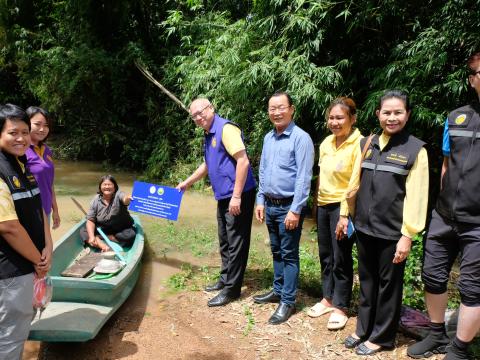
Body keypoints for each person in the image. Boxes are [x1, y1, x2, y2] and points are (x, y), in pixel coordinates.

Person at [344, 90, 429, 355]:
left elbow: (418, 196)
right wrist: (347, 215)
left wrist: (408, 235)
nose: (392, 118)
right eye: (387, 112)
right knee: (367, 281)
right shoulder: (368, 143)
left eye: (398, 112)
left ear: (408, 114)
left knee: (389, 287)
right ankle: (363, 328)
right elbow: (354, 184)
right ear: (378, 114)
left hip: (393, 233)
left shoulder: (416, 149)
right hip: (365, 228)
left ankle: (381, 336)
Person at [407, 52, 480, 360]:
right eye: (479, 71)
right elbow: (448, 164)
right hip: (445, 215)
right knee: (433, 276)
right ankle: (437, 333)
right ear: (472, 78)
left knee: (473, 288)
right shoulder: (456, 117)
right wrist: (441, 205)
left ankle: (460, 349)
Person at [176, 98, 256, 307]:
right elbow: (208, 164)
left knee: (236, 240)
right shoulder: (209, 132)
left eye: (200, 112)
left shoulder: (226, 129)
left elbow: (243, 161)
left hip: (237, 194)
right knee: (225, 238)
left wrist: (237, 196)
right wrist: (187, 183)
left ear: (211, 108)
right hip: (223, 195)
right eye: (194, 116)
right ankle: (225, 278)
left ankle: (232, 290)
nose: (198, 118)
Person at [254, 91, 314, 325]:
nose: (276, 112)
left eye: (281, 107)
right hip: (269, 204)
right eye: (272, 108)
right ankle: (278, 290)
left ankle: (288, 301)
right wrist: (260, 199)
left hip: (289, 206)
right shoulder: (269, 137)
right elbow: (263, 170)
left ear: (292, 109)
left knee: (289, 255)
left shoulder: (301, 138)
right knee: (277, 251)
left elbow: (303, 177)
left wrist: (296, 210)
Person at [0, 103, 52, 359]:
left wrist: (49, 246)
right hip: (11, 270)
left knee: (17, 331)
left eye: (24, 131)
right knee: (9, 338)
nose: (21, 138)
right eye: (13, 133)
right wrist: (38, 260)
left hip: (30, 263)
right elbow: (8, 226)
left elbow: (38, 208)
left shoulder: (23, 165)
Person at [306, 97, 363, 331]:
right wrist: (316, 203)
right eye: (331, 117)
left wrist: (344, 214)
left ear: (352, 118)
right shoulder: (327, 142)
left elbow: (354, 182)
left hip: (344, 209)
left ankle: (341, 305)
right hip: (324, 205)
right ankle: (327, 298)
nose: (335, 122)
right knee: (325, 254)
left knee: (341, 257)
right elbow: (321, 175)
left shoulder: (360, 144)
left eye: (340, 117)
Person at [25, 106, 60, 229]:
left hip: (46, 210)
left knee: (45, 245)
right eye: (37, 124)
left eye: (46, 125)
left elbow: (49, 183)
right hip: (30, 213)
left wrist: (55, 210)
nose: (42, 129)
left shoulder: (47, 150)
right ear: (26, 124)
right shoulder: (20, 151)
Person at [79, 175, 136, 251]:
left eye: (109, 184)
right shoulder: (95, 200)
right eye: (104, 185)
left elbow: (125, 200)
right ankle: (101, 244)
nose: (107, 187)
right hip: (104, 228)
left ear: (114, 187)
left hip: (120, 228)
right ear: (100, 187)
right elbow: (90, 220)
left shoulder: (118, 195)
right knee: (84, 231)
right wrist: (92, 236)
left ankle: (103, 238)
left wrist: (128, 198)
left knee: (130, 235)